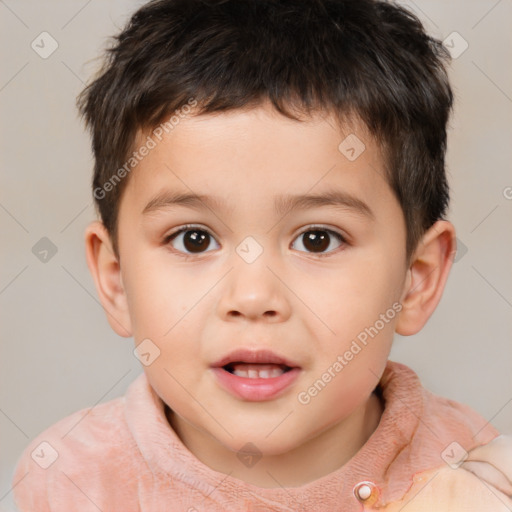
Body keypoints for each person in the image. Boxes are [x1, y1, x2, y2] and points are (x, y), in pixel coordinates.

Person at [12, 0, 512, 510]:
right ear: (116, 279)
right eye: (194, 239)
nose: (252, 297)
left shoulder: (470, 469)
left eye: (318, 239)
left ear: (416, 278)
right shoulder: (73, 480)